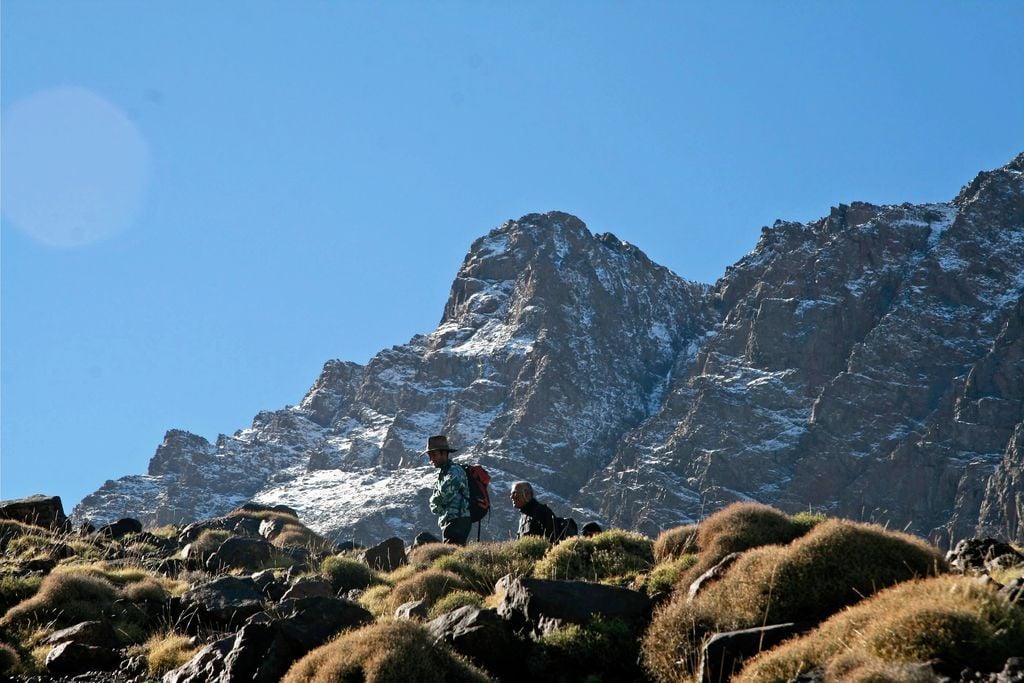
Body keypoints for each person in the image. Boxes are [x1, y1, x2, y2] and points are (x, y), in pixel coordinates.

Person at [426, 435, 472, 545]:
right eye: (430, 455)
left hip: (457, 520)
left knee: (453, 554)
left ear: (444, 453)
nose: (431, 459)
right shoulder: (444, 474)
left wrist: (435, 498)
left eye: (434, 454)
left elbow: (444, 495)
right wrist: (436, 499)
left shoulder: (455, 471)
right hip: (450, 521)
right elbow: (434, 506)